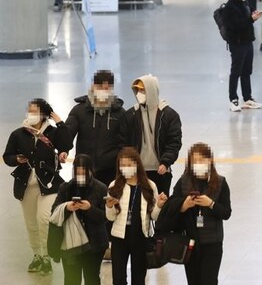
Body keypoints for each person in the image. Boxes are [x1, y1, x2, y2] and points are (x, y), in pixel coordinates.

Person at [4, 99, 70, 275]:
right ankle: (37, 255)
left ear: (43, 114)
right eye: (29, 110)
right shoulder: (18, 134)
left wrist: (60, 122)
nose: (30, 114)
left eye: (35, 111)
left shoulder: (53, 132)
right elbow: (7, 156)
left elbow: (66, 144)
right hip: (26, 186)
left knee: (44, 220)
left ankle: (47, 256)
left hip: (49, 185)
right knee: (31, 224)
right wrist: (16, 159)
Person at [161, 143, 232, 285]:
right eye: (195, 161)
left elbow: (226, 212)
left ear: (210, 160)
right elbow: (172, 206)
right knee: (193, 281)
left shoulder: (220, 182)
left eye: (202, 160)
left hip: (212, 242)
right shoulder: (184, 181)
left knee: (209, 281)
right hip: (190, 242)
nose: (199, 164)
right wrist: (184, 205)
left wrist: (211, 204)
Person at [105, 147, 167, 285]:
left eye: (129, 165)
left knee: (139, 278)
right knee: (118, 279)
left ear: (137, 164)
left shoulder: (149, 186)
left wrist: (159, 205)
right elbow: (110, 218)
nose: (125, 168)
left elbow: (154, 216)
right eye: (122, 165)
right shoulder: (114, 186)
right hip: (119, 238)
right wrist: (109, 207)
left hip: (140, 237)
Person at [50, 155, 108, 285]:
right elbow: (54, 212)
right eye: (77, 172)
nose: (80, 176)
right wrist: (67, 208)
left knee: (92, 279)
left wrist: (90, 208)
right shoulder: (65, 188)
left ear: (90, 171)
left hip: (94, 244)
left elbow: (106, 217)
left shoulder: (101, 188)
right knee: (71, 279)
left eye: (84, 172)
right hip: (71, 243)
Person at [120, 75, 182, 195]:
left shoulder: (169, 115)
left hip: (161, 171)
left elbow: (174, 142)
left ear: (151, 90)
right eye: (137, 90)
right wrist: (128, 164)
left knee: (161, 204)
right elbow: (123, 142)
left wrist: (166, 162)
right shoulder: (130, 115)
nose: (139, 93)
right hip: (137, 171)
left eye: (142, 90)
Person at [66, 70, 126, 186]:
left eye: (107, 88)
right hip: (83, 167)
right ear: (93, 86)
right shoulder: (79, 110)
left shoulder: (120, 113)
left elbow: (125, 140)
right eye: (100, 87)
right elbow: (68, 133)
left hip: (110, 169)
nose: (103, 91)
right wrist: (64, 150)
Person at [221, 0, 262, 112]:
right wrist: (251, 19)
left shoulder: (244, 2)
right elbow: (235, 26)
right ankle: (233, 99)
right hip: (237, 43)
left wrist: (254, 14)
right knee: (236, 71)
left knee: (246, 71)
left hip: (247, 41)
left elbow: (248, 16)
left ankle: (247, 97)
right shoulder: (230, 7)